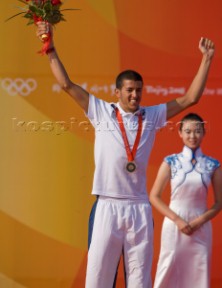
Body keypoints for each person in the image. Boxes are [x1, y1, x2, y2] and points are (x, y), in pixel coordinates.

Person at [36, 21, 215, 288]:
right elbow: (66, 85)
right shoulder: (100, 110)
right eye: (129, 90)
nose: (135, 95)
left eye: (139, 90)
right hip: (107, 204)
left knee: (139, 281)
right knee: (98, 279)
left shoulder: (152, 115)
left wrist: (207, 59)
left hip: (139, 207)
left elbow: (190, 99)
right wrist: (49, 47)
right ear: (117, 92)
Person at [150, 113, 222, 288]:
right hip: (174, 225)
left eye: (197, 131)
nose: (192, 136)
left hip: (201, 226)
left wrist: (198, 221)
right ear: (180, 133)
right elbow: (154, 196)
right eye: (188, 131)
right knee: (167, 269)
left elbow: (219, 202)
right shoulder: (170, 161)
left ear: (204, 133)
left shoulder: (213, 165)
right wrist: (178, 220)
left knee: (198, 273)